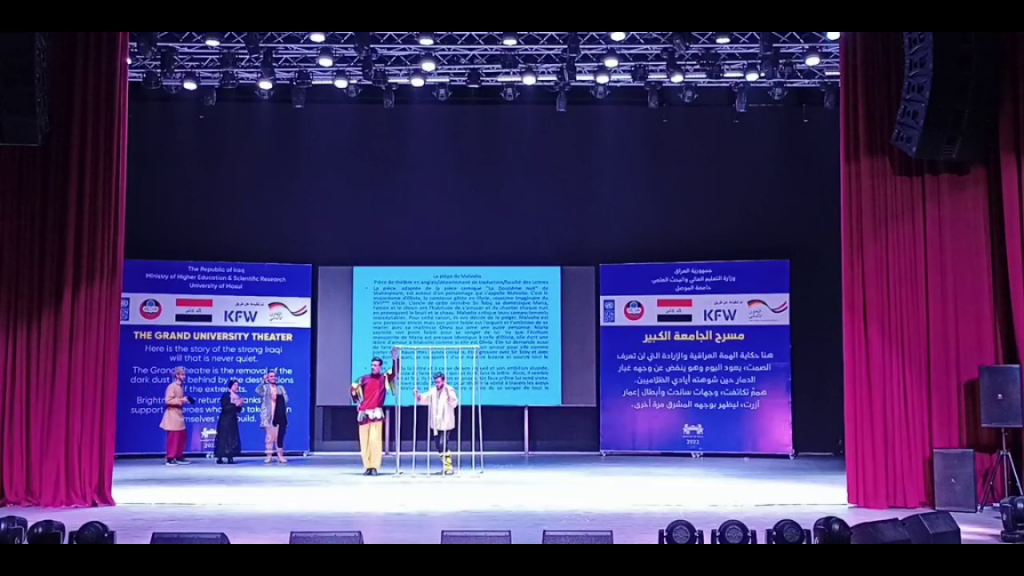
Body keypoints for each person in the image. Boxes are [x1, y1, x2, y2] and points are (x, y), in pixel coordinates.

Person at [352, 348, 399, 476]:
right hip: (364, 413)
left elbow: (395, 371)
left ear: (380, 367)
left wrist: (395, 358)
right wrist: (358, 402)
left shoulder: (384, 379)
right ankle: (367, 466)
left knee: (375, 440)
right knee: (364, 442)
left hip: (376, 413)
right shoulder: (364, 379)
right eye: (372, 365)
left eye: (376, 365)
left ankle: (374, 467)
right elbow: (353, 389)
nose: (373, 367)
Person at [415, 372, 459, 476]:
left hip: (446, 422)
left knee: (443, 444)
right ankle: (446, 466)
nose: (437, 384)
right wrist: (419, 396)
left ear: (444, 381)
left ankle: (449, 467)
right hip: (436, 423)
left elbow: (454, 403)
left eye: (439, 382)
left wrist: (449, 394)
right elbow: (426, 398)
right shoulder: (433, 390)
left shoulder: (449, 390)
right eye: (435, 382)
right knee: (438, 445)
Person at [160, 367, 194, 467]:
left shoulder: (181, 387)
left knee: (181, 436)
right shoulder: (172, 386)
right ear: (177, 375)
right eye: (182, 375)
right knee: (173, 437)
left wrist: (185, 400)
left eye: (184, 375)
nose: (184, 377)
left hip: (179, 414)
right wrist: (181, 400)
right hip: (172, 414)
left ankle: (179, 456)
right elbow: (168, 400)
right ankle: (170, 458)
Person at [256, 372, 290, 465]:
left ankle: (280, 455)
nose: (273, 378)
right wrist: (263, 381)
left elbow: (286, 399)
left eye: (274, 376)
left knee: (279, 436)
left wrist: (278, 397)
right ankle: (269, 456)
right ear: (268, 378)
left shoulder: (280, 388)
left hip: (279, 415)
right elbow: (258, 391)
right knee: (270, 437)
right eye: (271, 376)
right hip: (269, 416)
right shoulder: (266, 387)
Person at [214, 379, 244, 465]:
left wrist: (240, 405)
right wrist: (235, 404)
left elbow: (237, 410)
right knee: (223, 438)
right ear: (231, 386)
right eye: (235, 385)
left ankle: (230, 457)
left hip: (232, 420)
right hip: (225, 420)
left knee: (232, 438)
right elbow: (225, 408)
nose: (237, 387)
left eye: (238, 385)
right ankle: (219, 457)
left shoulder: (238, 396)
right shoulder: (227, 395)